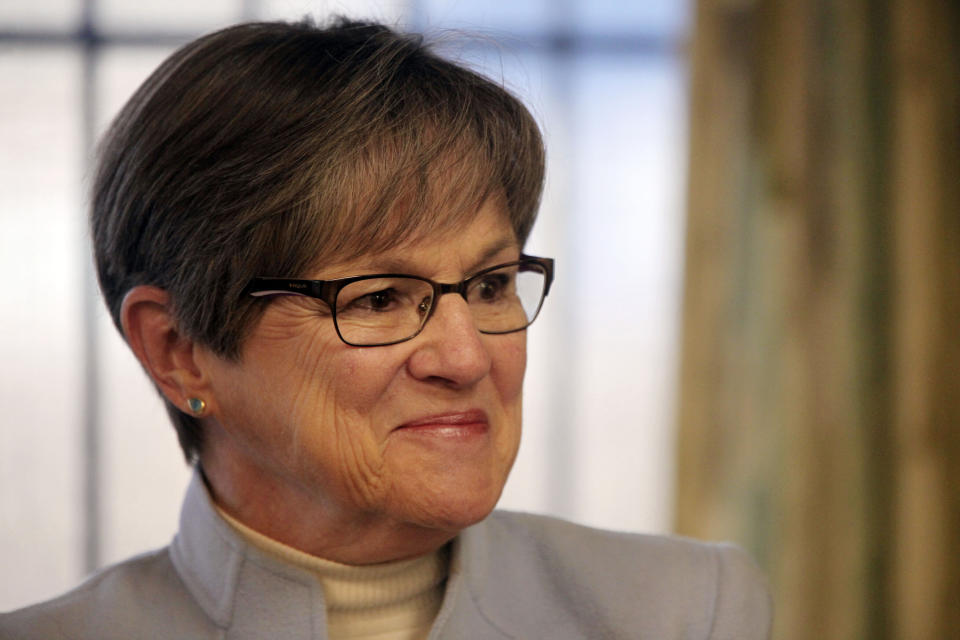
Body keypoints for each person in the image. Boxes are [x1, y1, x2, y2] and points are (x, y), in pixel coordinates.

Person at [0, 17, 771, 639]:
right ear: (179, 353)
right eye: (378, 300)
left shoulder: (685, 612)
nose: (467, 357)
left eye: (491, 285)